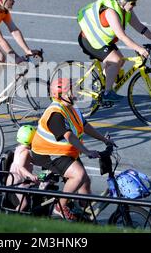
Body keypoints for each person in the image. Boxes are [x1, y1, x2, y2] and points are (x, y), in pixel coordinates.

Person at [30, 78, 115, 220]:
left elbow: (85, 126)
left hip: (65, 152)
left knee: (85, 181)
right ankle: (60, 207)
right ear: (61, 94)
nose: (76, 91)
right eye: (72, 89)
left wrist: (104, 139)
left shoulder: (72, 108)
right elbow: (69, 135)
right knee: (78, 175)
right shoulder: (55, 113)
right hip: (47, 154)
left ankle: (83, 210)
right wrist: (87, 151)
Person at [77, 0, 151, 103]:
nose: (135, 6)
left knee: (120, 61)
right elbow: (122, 36)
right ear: (124, 2)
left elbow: (141, 28)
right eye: (133, 3)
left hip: (103, 40)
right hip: (90, 40)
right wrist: (139, 49)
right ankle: (107, 92)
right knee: (116, 60)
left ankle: (100, 86)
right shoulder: (111, 13)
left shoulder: (127, 10)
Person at [6, 125, 39, 212]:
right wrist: (31, 175)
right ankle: (14, 218)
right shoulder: (25, 152)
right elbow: (20, 167)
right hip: (16, 184)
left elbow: (32, 161)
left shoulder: (19, 149)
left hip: (16, 181)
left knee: (36, 184)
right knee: (24, 204)